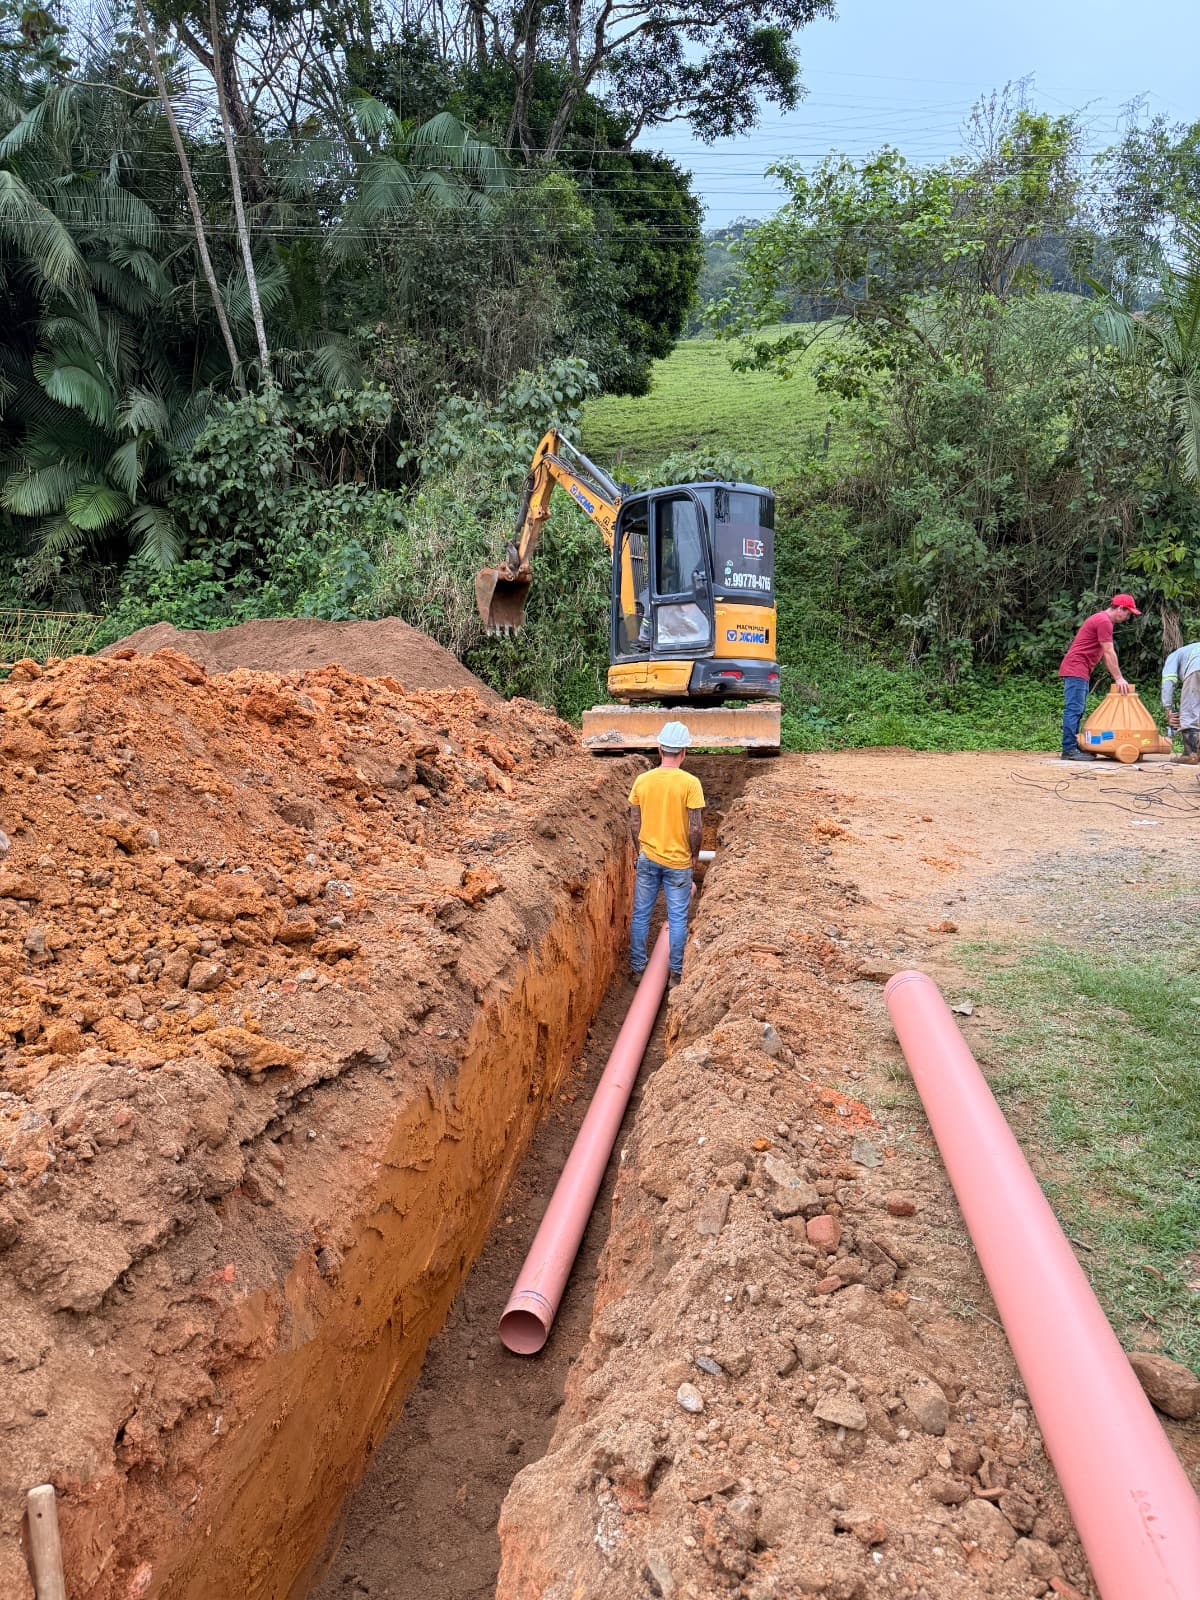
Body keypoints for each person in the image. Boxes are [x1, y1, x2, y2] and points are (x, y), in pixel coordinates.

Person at [627, 721, 704, 987]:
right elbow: (695, 827)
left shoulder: (642, 781)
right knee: (678, 918)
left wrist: (641, 851)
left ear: (660, 749)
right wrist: (694, 856)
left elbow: (634, 821)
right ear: (683, 751)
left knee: (640, 915)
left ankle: (638, 970)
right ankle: (675, 974)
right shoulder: (691, 783)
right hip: (679, 863)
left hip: (648, 858)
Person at [1057, 593, 1139, 761]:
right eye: (1128, 613)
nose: (1128, 617)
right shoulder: (1104, 621)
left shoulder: (1102, 620)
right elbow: (1109, 652)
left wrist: (1116, 675)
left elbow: (1104, 654)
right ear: (1120, 609)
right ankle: (1069, 749)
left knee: (1077, 709)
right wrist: (1119, 678)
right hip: (1076, 668)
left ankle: (1072, 746)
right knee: (1074, 709)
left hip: (1080, 669)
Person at [1162, 639, 1200, 761]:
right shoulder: (1193, 650)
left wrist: (1168, 708)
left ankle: (1191, 754)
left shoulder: (1174, 655)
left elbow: (1168, 680)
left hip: (1196, 668)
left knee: (1189, 714)